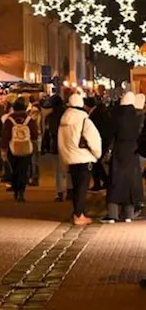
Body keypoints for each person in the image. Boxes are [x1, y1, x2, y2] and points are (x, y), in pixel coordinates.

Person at [58, 90, 102, 226]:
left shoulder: (63, 120)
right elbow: (94, 139)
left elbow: (60, 141)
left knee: (76, 186)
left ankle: (76, 212)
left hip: (70, 158)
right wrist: (97, 154)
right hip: (83, 157)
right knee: (82, 188)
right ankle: (79, 215)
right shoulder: (84, 120)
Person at [103, 92, 144, 223]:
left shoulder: (116, 116)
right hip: (133, 152)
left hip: (119, 152)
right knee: (130, 182)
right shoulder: (138, 118)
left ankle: (113, 214)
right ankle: (128, 214)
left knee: (116, 181)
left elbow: (109, 135)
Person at [2, 98, 40, 203]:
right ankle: (21, 192)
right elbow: (35, 134)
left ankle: (15, 190)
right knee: (23, 170)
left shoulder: (9, 120)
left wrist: (3, 148)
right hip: (26, 148)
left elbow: (5, 135)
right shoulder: (29, 119)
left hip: (12, 148)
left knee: (14, 170)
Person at [41, 93, 69, 202]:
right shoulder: (67, 115)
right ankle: (70, 189)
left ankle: (59, 192)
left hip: (56, 145)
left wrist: (45, 146)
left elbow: (47, 133)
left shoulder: (50, 117)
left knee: (58, 170)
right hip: (68, 145)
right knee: (69, 169)